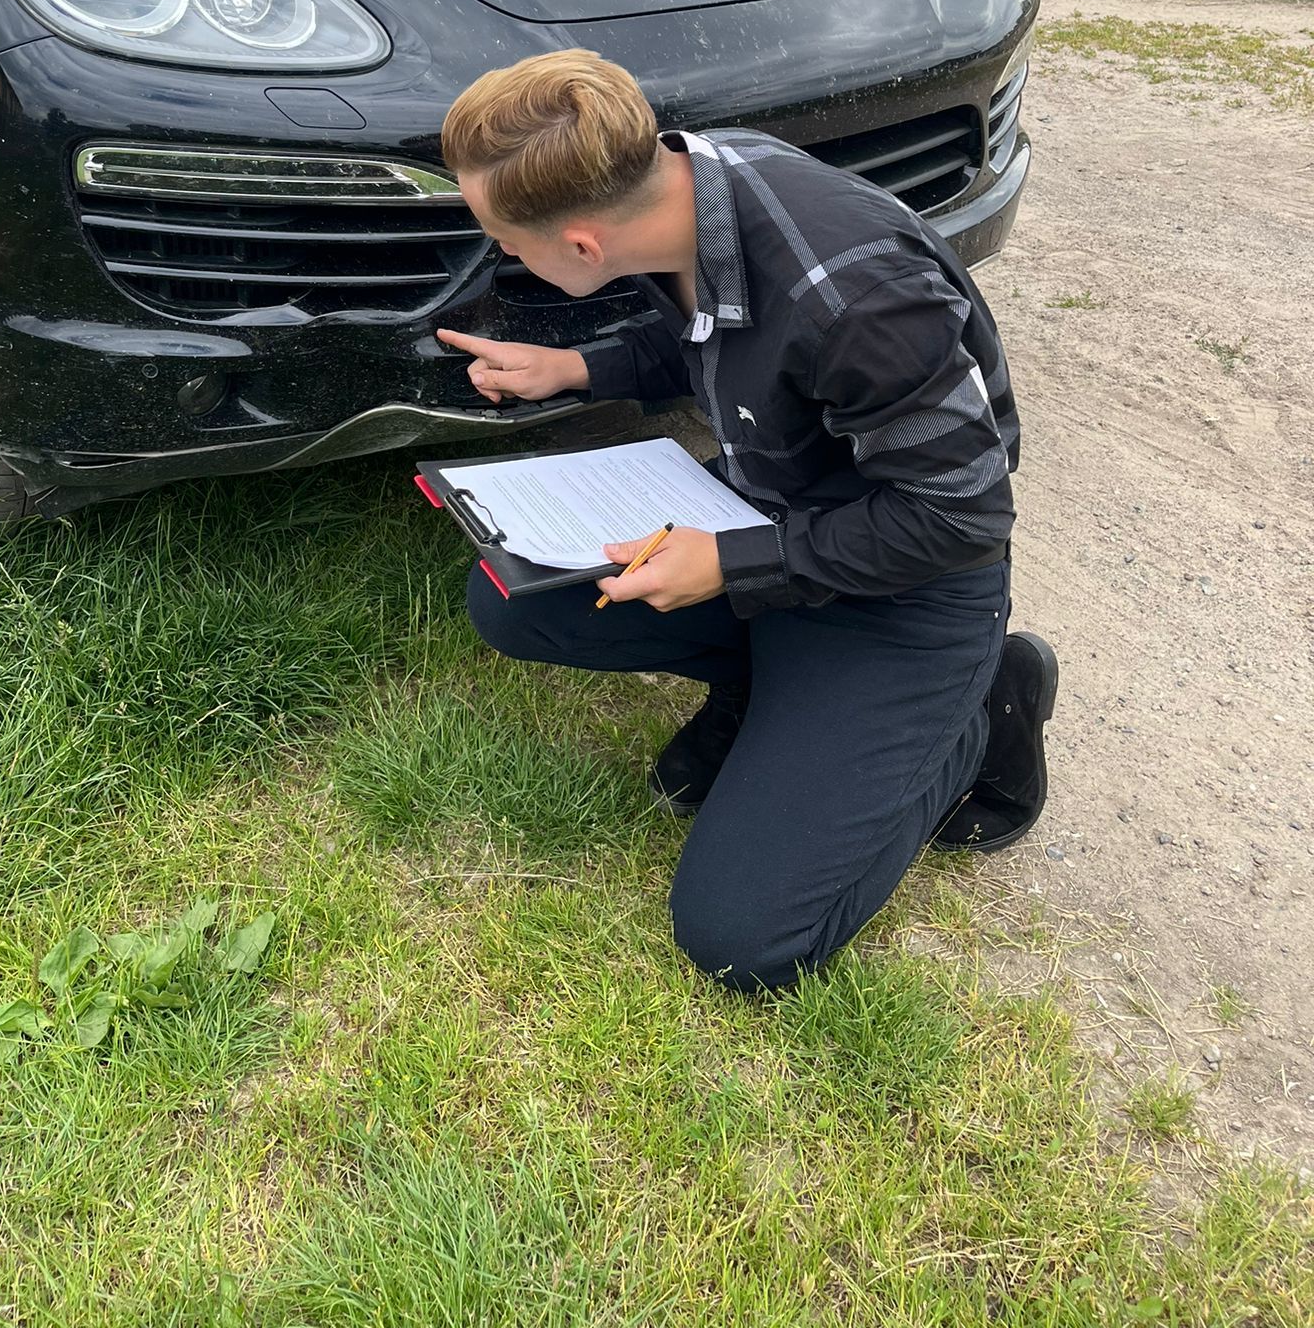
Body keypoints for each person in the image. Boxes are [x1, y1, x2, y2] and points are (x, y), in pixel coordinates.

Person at [436, 49, 1057, 992]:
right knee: (516, 599)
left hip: (901, 586)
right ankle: (765, 693)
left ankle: (981, 717)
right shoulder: (687, 187)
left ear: (582, 246)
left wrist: (730, 566)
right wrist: (578, 370)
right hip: (763, 517)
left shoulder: (859, 297)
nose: (499, 255)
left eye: (506, 241)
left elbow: (960, 518)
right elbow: (712, 333)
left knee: (743, 941)